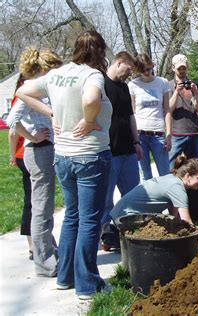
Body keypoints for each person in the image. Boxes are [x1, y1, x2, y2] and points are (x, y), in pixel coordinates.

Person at [17, 30, 112, 300]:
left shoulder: (57, 73)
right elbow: (91, 98)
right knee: (90, 220)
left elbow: (24, 90)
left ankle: (65, 276)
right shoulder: (91, 75)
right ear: (100, 51)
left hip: (64, 157)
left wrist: (51, 111)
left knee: (72, 216)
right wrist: (89, 118)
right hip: (90, 155)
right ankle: (87, 283)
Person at [7, 48, 62, 277]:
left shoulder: (41, 89)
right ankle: (45, 262)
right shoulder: (30, 89)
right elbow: (11, 120)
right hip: (38, 152)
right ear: (44, 70)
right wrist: (32, 136)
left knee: (45, 206)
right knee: (41, 207)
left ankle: (50, 251)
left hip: (47, 151)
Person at [110, 156, 198, 253]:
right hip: (125, 220)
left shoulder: (172, 179)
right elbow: (187, 222)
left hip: (117, 215)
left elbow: (174, 218)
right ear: (188, 176)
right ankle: (112, 238)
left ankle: (110, 237)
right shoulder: (177, 188)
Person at [100, 51, 143, 250]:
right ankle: (104, 236)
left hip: (128, 151)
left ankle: (128, 236)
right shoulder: (100, 84)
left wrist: (137, 142)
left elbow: (131, 116)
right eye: (128, 69)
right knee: (105, 199)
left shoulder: (125, 88)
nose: (129, 73)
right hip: (109, 151)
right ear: (119, 63)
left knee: (131, 196)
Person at [128, 53, 171, 179]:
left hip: (157, 133)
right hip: (140, 134)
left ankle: (166, 198)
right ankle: (149, 199)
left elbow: (167, 110)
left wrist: (168, 135)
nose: (146, 72)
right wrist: (134, 139)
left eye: (148, 69)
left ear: (152, 66)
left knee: (165, 174)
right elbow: (132, 112)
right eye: (142, 70)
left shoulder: (162, 82)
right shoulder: (133, 85)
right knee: (146, 176)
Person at [7, 74, 33, 260]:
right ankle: (32, 244)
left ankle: (35, 243)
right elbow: (12, 131)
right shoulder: (22, 97)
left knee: (35, 199)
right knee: (32, 200)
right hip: (25, 154)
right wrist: (12, 156)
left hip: (30, 152)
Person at [168, 54, 198, 169]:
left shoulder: (193, 85)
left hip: (194, 132)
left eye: (184, 68)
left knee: (195, 168)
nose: (182, 71)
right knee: (171, 167)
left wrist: (196, 93)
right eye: (179, 68)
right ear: (173, 68)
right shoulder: (168, 86)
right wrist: (176, 92)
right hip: (176, 133)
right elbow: (169, 109)